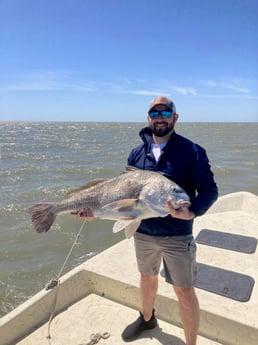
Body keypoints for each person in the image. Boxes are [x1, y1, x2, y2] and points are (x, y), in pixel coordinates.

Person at [79, 96, 218, 345]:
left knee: (184, 291)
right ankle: (147, 319)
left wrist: (193, 211)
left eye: (166, 113)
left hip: (177, 234)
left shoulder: (192, 152)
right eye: (155, 113)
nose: (160, 118)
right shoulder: (136, 154)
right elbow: (121, 195)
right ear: (148, 118)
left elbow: (209, 190)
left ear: (175, 117)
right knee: (146, 277)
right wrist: (95, 212)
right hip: (143, 231)